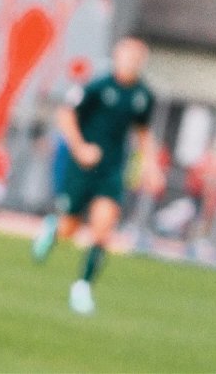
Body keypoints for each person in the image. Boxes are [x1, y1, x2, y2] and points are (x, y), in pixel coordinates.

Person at [31, 38, 164, 315]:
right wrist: (80, 148)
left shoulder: (143, 96)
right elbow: (65, 116)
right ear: (117, 57)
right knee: (70, 228)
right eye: (127, 57)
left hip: (112, 170)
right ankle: (54, 228)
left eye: (137, 59)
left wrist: (150, 167)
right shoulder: (97, 87)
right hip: (82, 168)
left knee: (103, 229)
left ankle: (82, 287)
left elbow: (143, 133)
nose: (131, 63)